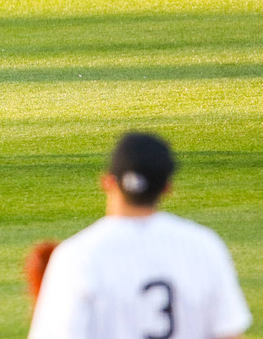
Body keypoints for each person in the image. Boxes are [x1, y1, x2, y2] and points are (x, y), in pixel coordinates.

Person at [29, 132, 252, 339]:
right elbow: (229, 333)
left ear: (107, 182)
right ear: (167, 187)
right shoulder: (204, 246)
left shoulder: (76, 256)